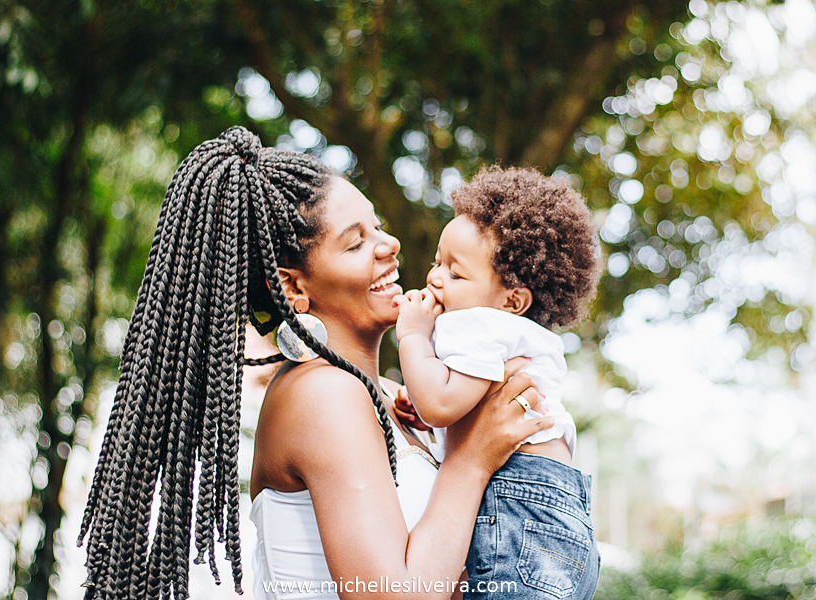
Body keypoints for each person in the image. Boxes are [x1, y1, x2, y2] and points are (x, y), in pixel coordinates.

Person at [78, 127, 551, 600]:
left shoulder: (386, 397)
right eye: (355, 243)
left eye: (378, 226)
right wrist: (470, 459)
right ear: (294, 288)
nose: (389, 246)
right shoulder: (323, 394)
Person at [393, 166, 602, 600]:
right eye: (437, 263)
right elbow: (462, 406)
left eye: (455, 273)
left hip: (520, 501)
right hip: (558, 509)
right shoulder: (514, 334)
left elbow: (441, 404)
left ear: (512, 300)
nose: (434, 279)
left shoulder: (478, 325)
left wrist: (412, 337)